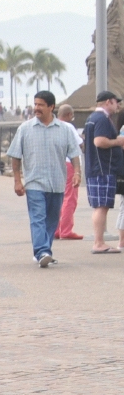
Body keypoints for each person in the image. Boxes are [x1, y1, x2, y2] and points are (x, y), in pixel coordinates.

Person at [8, 90, 81, 268]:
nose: (36, 108)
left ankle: (45, 250)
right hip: (34, 182)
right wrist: (17, 180)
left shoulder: (65, 130)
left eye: (41, 105)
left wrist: (77, 172)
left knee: (52, 219)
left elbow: (74, 154)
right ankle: (41, 251)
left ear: (51, 107)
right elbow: (15, 156)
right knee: (38, 217)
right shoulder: (25, 129)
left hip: (57, 182)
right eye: (35, 104)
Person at [84, 90, 122, 253]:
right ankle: (99, 243)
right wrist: (118, 141)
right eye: (115, 101)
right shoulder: (102, 119)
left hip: (96, 168)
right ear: (108, 102)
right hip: (102, 168)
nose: (118, 105)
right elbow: (99, 141)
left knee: (100, 206)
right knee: (102, 206)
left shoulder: (92, 118)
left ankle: (99, 242)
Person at [55, 103, 86, 241]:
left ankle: (55, 229)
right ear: (68, 115)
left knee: (56, 197)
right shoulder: (68, 127)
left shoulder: (53, 125)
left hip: (55, 164)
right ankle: (66, 230)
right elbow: (79, 145)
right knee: (70, 197)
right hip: (68, 164)